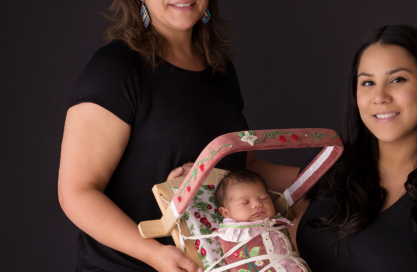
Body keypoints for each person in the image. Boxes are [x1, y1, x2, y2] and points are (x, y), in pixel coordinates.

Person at [58, 1, 297, 271]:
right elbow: (76, 193)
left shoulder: (220, 69)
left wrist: (333, 177)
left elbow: (244, 168)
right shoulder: (115, 67)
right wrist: (154, 254)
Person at [287, 25, 417, 272]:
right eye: (368, 82)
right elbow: (281, 245)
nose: (380, 96)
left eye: (397, 80)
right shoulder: (328, 160)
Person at [210, 170, 309, 272]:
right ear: (226, 213)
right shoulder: (230, 233)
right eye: (245, 202)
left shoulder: (276, 222)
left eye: (264, 198)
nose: (257, 204)